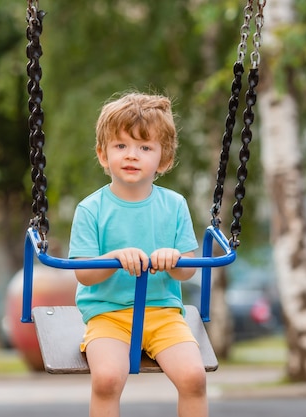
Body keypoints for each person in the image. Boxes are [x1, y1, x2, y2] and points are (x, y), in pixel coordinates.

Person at [68, 92, 207, 417]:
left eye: (145, 147)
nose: (132, 155)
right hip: (109, 315)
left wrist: (174, 260)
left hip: (163, 314)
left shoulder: (174, 205)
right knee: (106, 379)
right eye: (121, 146)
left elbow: (188, 270)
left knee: (194, 377)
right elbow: (84, 274)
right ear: (103, 155)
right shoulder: (90, 209)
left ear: (164, 159)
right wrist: (115, 257)